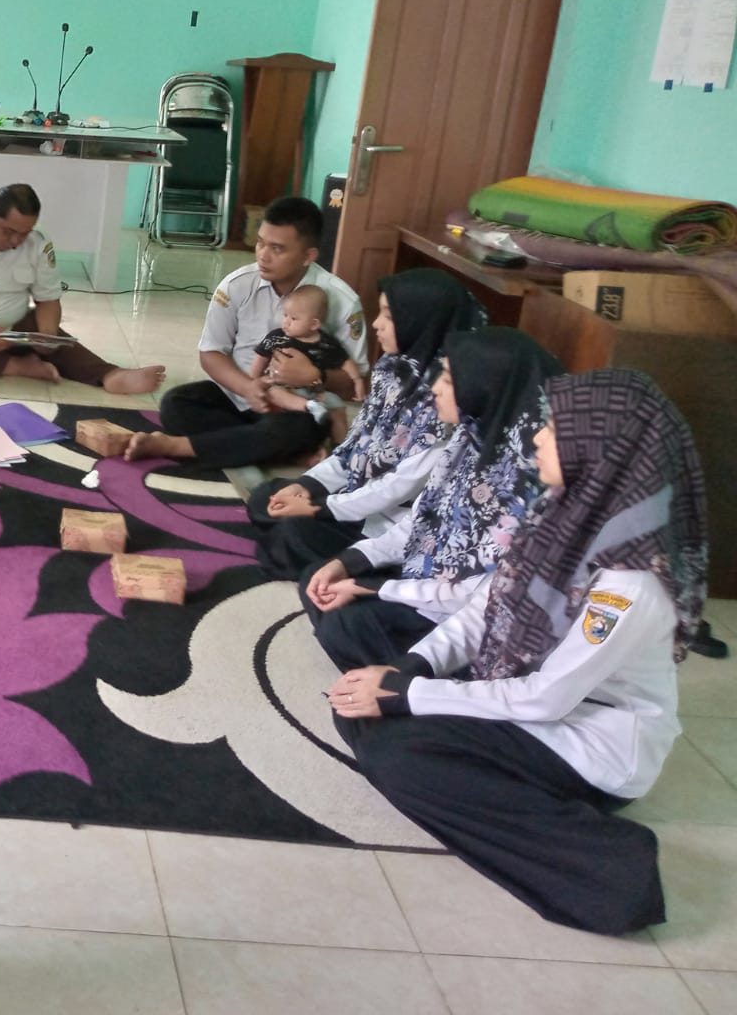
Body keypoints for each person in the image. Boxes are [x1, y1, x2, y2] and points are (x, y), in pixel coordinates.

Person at [325, 369, 706, 934]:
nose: (538, 438)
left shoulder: (631, 583)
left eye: (556, 428)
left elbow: (546, 698)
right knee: (367, 709)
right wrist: (410, 669)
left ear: (598, 449)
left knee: (397, 752)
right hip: (529, 696)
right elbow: (485, 609)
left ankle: (611, 865)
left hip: (593, 740)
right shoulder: (565, 513)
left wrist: (411, 695)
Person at [305, 328, 562, 670]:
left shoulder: (531, 479)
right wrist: (351, 562)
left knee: (347, 623)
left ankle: (405, 687)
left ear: (487, 387)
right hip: (423, 578)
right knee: (321, 579)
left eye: (450, 380)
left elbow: (479, 599)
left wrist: (374, 587)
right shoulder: (469, 441)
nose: (436, 388)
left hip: (462, 622)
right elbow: (419, 522)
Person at [249, 270, 485, 579]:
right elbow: (354, 446)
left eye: (388, 315)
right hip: (355, 499)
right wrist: (305, 487)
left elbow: (395, 488)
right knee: (267, 496)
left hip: (390, 528)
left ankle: (362, 571)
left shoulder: (448, 398)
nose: (376, 324)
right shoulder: (393, 369)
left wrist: (321, 508)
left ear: (422, 321)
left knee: (292, 534)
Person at [124, 196, 367, 469]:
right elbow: (211, 352)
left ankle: (175, 446)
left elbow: (353, 382)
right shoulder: (237, 285)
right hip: (236, 396)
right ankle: (280, 453)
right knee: (176, 403)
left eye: (277, 248)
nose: (263, 255)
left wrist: (315, 376)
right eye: (261, 242)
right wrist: (247, 388)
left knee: (298, 429)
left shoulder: (342, 301)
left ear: (308, 256)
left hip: (294, 406)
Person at [0, 183, 166, 394]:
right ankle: (15, 366)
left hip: (10, 322)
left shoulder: (39, 240)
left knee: (51, 337)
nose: (17, 241)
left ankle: (110, 374)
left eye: (24, 233)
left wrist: (47, 336)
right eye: (9, 232)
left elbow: (48, 299)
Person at [246, 283, 366, 440]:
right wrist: (253, 382)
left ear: (314, 324)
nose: (286, 322)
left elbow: (345, 361)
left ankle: (339, 448)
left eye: (294, 318)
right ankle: (309, 407)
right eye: (285, 315)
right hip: (283, 388)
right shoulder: (276, 337)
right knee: (274, 393)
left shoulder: (326, 343)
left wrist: (357, 380)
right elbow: (260, 359)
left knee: (338, 407)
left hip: (316, 392)